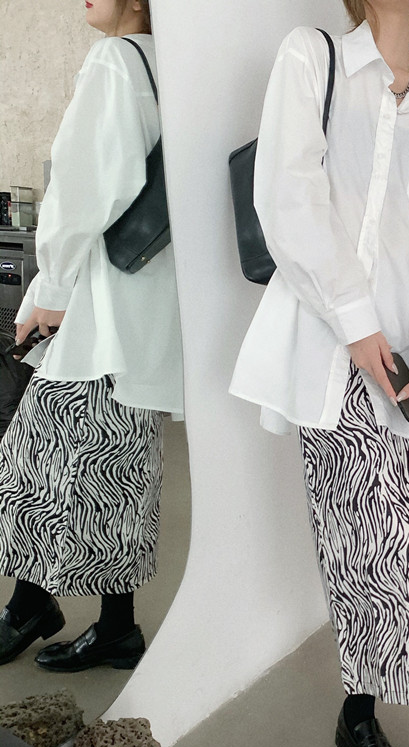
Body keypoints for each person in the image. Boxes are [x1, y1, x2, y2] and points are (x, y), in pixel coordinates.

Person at [230, 1, 409, 747]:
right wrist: (357, 325)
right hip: (335, 363)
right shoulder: (313, 60)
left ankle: (366, 717)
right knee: (364, 552)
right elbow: (287, 197)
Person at [0, 0, 183, 673]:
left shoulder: (115, 59)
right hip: (151, 309)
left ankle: (30, 609)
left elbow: (81, 190)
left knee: (37, 461)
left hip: (100, 311)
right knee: (119, 472)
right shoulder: (173, 68)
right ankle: (114, 626)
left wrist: (47, 289)